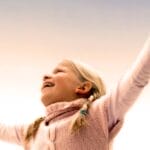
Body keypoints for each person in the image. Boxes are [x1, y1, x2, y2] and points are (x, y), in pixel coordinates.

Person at [0, 38, 150, 150]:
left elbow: (137, 77)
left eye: (58, 71)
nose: (45, 76)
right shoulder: (32, 131)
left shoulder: (100, 114)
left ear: (84, 87)